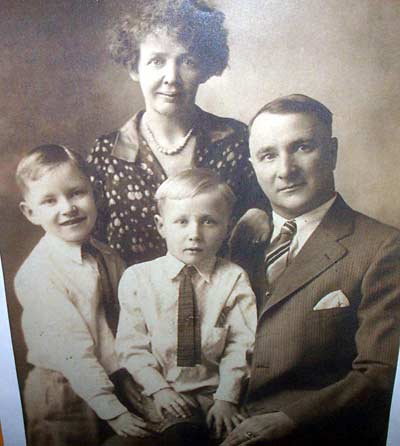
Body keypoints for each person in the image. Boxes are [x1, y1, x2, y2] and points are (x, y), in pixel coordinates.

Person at [224, 94, 400, 446]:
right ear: (253, 165)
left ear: (332, 152)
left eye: (302, 147)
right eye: (268, 155)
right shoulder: (239, 241)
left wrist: (290, 420)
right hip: (221, 420)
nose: (285, 170)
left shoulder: (382, 247)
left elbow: (379, 373)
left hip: (312, 431)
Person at [87, 0, 265, 266]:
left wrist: (262, 212)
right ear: (135, 68)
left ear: (205, 69)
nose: (172, 77)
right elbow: (91, 246)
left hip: (224, 299)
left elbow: (270, 209)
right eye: (157, 61)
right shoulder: (106, 153)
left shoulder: (235, 139)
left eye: (187, 61)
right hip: (135, 303)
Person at [14, 145, 153, 446]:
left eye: (76, 193)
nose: (68, 208)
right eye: (49, 200)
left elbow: (123, 324)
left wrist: (126, 377)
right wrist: (114, 412)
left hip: (109, 379)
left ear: (94, 193)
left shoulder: (108, 256)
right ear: (30, 212)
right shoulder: (39, 273)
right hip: (63, 393)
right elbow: (73, 352)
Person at [114, 169, 257, 445]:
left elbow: (241, 344)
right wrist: (159, 391)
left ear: (227, 226)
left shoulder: (233, 278)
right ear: (161, 226)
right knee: (181, 437)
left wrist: (227, 398)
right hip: (161, 394)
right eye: (181, 221)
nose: (195, 234)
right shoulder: (138, 279)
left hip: (218, 394)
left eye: (208, 221)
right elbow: (132, 348)